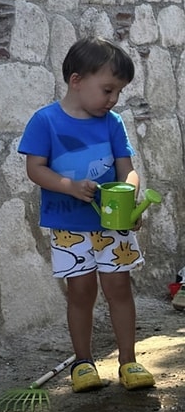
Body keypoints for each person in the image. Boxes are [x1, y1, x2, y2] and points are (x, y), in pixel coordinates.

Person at [18, 36, 155, 393]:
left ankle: (128, 362)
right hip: (68, 227)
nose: (113, 100)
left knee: (119, 289)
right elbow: (35, 169)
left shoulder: (111, 123)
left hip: (112, 226)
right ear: (76, 81)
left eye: (118, 93)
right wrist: (69, 185)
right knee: (80, 293)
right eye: (107, 89)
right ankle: (83, 364)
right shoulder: (45, 121)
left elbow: (128, 169)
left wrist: (130, 197)